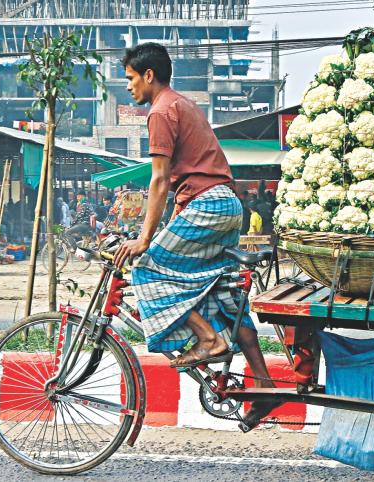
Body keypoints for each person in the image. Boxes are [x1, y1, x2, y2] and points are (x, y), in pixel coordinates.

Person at [112, 42, 278, 430]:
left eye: (131, 79)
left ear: (148, 75)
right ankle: (264, 382)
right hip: (225, 205)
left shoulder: (160, 112)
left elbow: (157, 180)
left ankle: (208, 340)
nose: (129, 87)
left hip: (207, 205)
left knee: (148, 270)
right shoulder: (182, 104)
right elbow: (175, 186)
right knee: (225, 295)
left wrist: (143, 238)